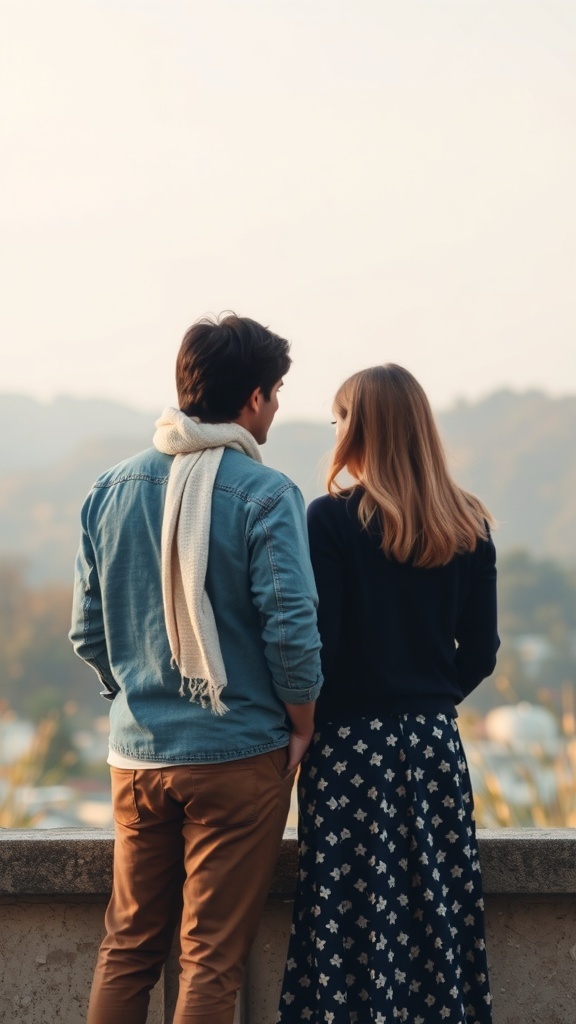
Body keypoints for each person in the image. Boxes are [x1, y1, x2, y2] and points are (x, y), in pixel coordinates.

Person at [69, 313, 323, 1024]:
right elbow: (292, 631)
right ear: (253, 398)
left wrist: (134, 694)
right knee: (209, 959)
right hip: (240, 753)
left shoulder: (110, 488)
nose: (275, 407)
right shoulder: (266, 493)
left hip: (137, 756)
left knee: (126, 947)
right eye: (276, 393)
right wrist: (302, 720)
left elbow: (87, 630)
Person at [277, 364, 499, 1024]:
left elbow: (322, 646)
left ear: (361, 428)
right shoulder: (469, 522)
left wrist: (309, 721)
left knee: (347, 917)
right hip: (433, 745)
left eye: (341, 417)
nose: (336, 430)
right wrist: (427, 698)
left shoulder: (331, 519)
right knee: (437, 917)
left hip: (348, 748)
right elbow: (481, 652)